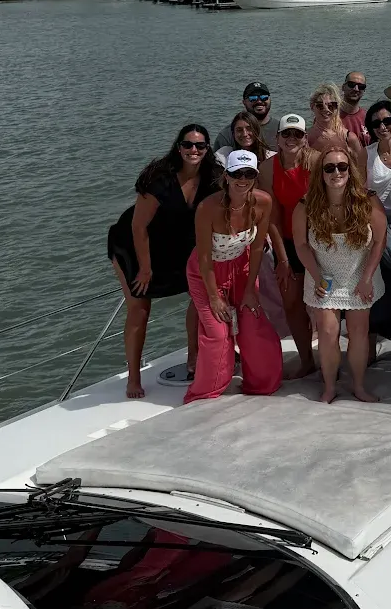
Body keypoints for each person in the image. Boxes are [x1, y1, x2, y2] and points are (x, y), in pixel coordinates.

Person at [107, 125, 223, 398]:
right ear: (178, 147)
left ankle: (194, 358)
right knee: (139, 308)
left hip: (178, 246)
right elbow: (138, 227)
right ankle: (133, 377)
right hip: (135, 245)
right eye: (188, 145)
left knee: (199, 297)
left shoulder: (213, 177)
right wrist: (146, 268)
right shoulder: (159, 178)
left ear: (207, 149)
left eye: (200, 146)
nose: (193, 150)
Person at [184, 150, 283, 403]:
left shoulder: (263, 202)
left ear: (255, 176)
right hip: (206, 273)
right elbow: (205, 258)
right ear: (226, 176)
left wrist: (251, 289)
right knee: (218, 335)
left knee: (253, 326)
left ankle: (262, 384)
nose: (243, 179)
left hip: (243, 269)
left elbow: (258, 247)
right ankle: (206, 393)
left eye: (249, 173)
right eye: (236, 173)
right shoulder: (207, 208)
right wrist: (215, 297)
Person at [294, 148, 387, 404]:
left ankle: (358, 385)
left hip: (360, 272)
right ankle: (329, 386)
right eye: (329, 167)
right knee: (326, 331)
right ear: (320, 173)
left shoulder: (367, 200)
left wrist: (367, 277)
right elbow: (301, 245)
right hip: (322, 273)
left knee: (359, 331)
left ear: (350, 170)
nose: (336, 172)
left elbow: (379, 240)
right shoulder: (305, 205)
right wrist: (316, 275)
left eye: (342, 167)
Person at [259, 114, 315, 379]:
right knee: (292, 303)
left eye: (297, 135)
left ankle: (333, 357)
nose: (291, 139)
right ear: (277, 139)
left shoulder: (316, 162)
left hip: (318, 241)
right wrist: (282, 260)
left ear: (305, 139)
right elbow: (273, 219)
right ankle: (307, 360)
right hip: (289, 241)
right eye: (286, 134)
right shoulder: (267, 169)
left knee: (325, 304)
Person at [306, 83, 366, 166]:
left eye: (331, 106)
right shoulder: (305, 138)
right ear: (312, 106)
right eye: (320, 106)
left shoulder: (349, 138)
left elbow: (361, 169)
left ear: (337, 107)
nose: (326, 110)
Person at [215, 81, 272, 156]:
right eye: (253, 98)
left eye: (264, 97)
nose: (259, 101)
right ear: (244, 102)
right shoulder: (226, 135)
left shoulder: (281, 129)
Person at [340, 72, 371, 145]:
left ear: (364, 90)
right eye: (351, 85)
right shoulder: (328, 116)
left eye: (361, 86)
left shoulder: (369, 118)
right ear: (343, 87)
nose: (356, 89)